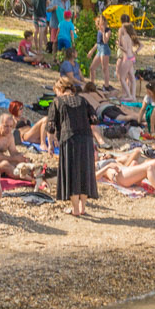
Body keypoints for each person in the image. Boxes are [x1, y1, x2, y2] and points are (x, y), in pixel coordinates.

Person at [51, 77, 98, 218]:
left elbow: (50, 124)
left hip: (69, 139)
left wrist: (50, 142)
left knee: (72, 172)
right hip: (86, 138)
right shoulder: (83, 100)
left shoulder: (57, 102)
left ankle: (75, 209)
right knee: (85, 171)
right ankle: (83, 207)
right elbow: (94, 119)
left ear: (60, 89)